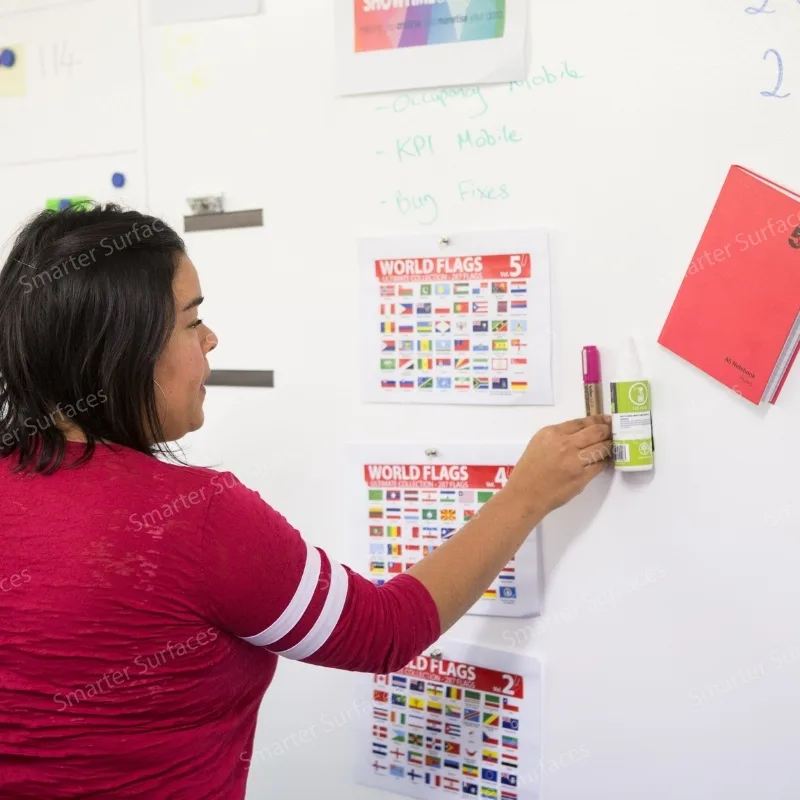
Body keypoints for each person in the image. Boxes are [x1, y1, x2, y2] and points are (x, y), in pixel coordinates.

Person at [0, 205, 612, 798]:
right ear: (123, 348)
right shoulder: (195, 518)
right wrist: (525, 496)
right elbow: (383, 631)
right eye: (191, 321)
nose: (211, 339)